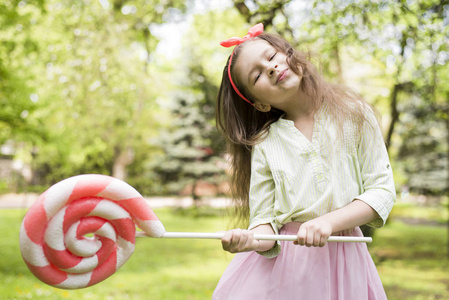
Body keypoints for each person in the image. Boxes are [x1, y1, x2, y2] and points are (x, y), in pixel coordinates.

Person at [212, 23, 395, 300]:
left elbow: (382, 191)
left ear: (290, 54)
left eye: (271, 57)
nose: (270, 68)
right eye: (257, 74)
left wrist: (329, 223)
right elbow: (264, 226)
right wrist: (250, 239)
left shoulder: (355, 115)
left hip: (345, 262)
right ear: (260, 103)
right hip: (289, 267)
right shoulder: (265, 143)